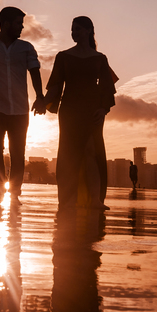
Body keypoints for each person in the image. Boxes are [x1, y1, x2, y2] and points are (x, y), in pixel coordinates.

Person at [0, 7, 45, 202]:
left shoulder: (26, 48)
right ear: (6, 24)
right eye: (18, 23)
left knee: (17, 152)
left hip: (20, 110)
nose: (21, 27)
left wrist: (40, 96)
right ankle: (0, 186)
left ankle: (14, 192)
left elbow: (35, 72)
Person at [44, 16, 115, 209]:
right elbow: (56, 85)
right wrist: (44, 102)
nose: (74, 33)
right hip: (69, 111)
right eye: (72, 29)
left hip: (93, 111)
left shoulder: (100, 58)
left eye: (77, 29)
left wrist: (103, 108)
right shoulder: (63, 56)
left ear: (89, 30)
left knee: (92, 151)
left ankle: (96, 200)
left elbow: (108, 87)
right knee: (69, 154)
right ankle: (68, 199)